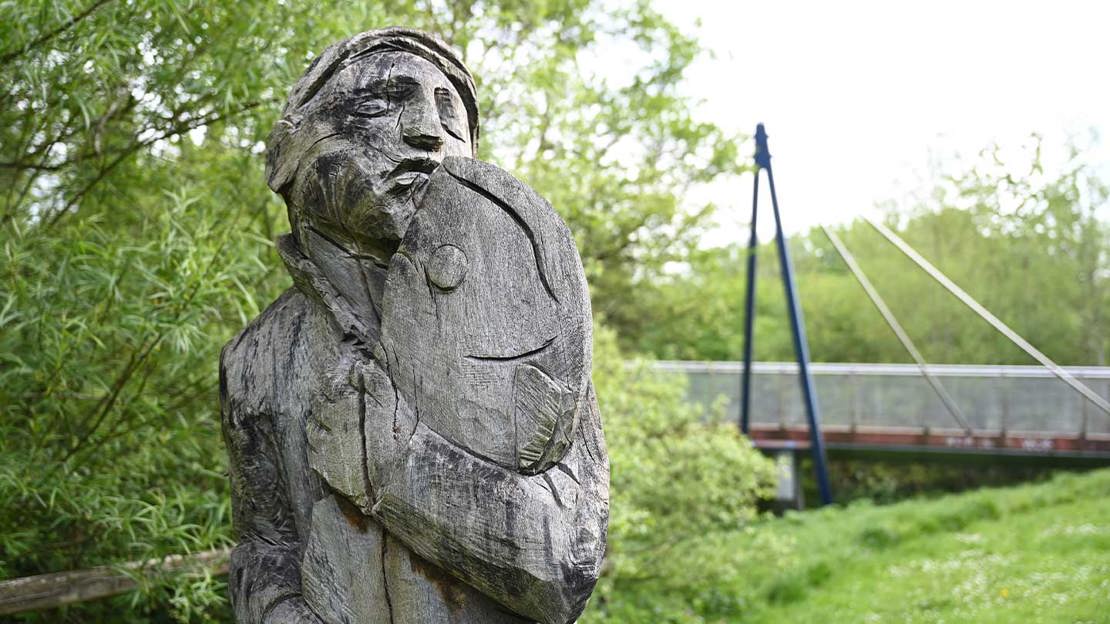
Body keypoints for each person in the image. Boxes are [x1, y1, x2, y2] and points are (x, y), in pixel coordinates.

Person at [220, 28, 608, 624]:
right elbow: (262, 546)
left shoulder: (531, 312)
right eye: (381, 102)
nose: (429, 131)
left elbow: (566, 568)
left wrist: (395, 466)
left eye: (450, 116)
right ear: (285, 157)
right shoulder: (255, 357)